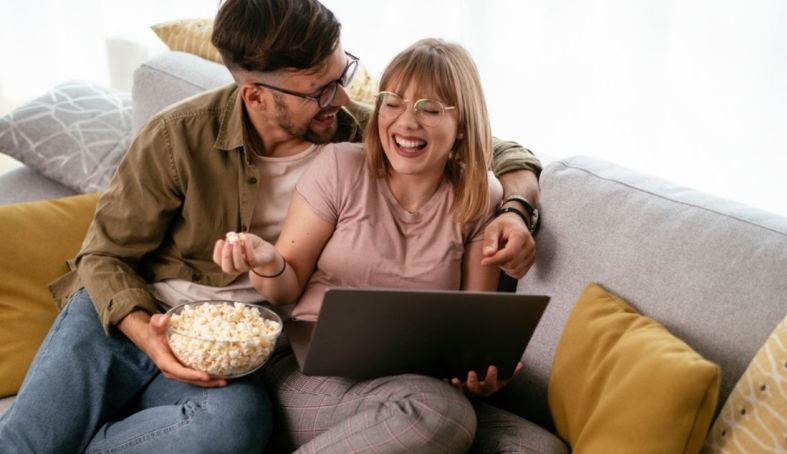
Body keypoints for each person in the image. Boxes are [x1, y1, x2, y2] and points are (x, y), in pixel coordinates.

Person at [0, 0, 544, 453]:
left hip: (239, 352)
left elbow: (489, 144)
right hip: (128, 322)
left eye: (342, 75)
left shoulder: (352, 132)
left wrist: (515, 209)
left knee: (236, 427)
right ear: (255, 94)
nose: (338, 98)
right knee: (29, 442)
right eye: (316, 91)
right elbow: (102, 257)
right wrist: (151, 337)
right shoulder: (178, 139)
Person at [214, 37, 566, 453]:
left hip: (419, 386)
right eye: (393, 102)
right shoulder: (339, 168)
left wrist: (481, 375)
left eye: (430, 109)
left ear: (464, 126)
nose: (406, 123)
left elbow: (473, 333)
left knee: (537, 448)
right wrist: (268, 260)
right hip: (311, 376)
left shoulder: (480, 195)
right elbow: (285, 287)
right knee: (441, 412)